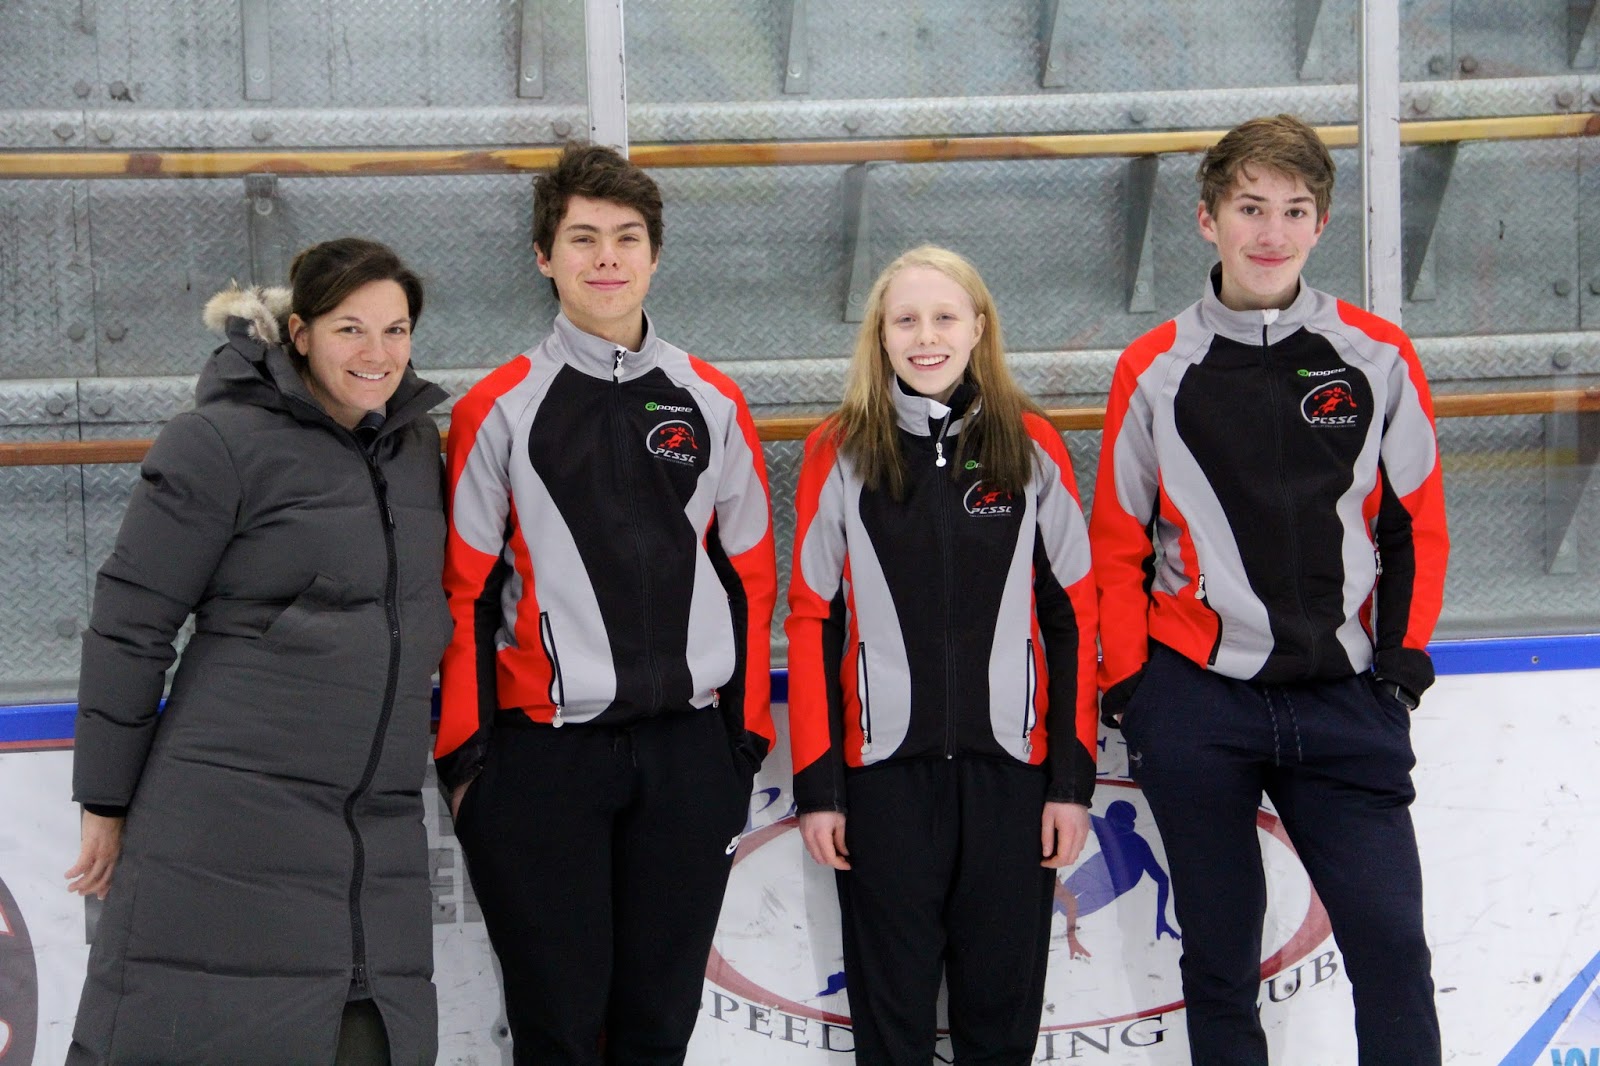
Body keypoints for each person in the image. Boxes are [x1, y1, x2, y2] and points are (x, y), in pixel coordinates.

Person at [1090, 114, 1449, 1065]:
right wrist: (1133, 688)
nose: (1271, 232)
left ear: (1321, 224)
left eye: (1294, 211)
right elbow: (1118, 544)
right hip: (1198, 700)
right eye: (1250, 207)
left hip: (1344, 697)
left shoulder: (1376, 355)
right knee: (1219, 963)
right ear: (1207, 218)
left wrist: (1400, 666)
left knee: (1392, 950)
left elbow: (1415, 524)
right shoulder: (1153, 368)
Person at [64, 237, 451, 1065]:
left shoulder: (416, 448)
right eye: (350, 329)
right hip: (228, 818)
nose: (378, 353)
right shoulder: (217, 441)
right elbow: (131, 624)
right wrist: (105, 799)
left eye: (396, 330)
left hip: (370, 828)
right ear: (299, 333)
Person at [434, 142, 776, 1066]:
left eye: (626, 237)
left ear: (655, 255)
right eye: (582, 238)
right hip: (541, 761)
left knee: (658, 1027)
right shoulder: (496, 408)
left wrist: (740, 742)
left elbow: (750, 578)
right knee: (558, 1028)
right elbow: (464, 594)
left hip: (689, 756)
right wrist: (467, 764)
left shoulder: (712, 399)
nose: (607, 257)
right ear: (544, 257)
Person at [786, 245, 1100, 1065]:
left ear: (978, 328)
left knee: (999, 1030)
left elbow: (1074, 617)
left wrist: (1070, 785)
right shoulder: (838, 451)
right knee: (891, 1031)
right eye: (906, 320)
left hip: (1012, 783)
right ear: (881, 336)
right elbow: (812, 618)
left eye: (944, 317)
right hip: (883, 787)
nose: (926, 337)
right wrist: (820, 788)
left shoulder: (1032, 445)